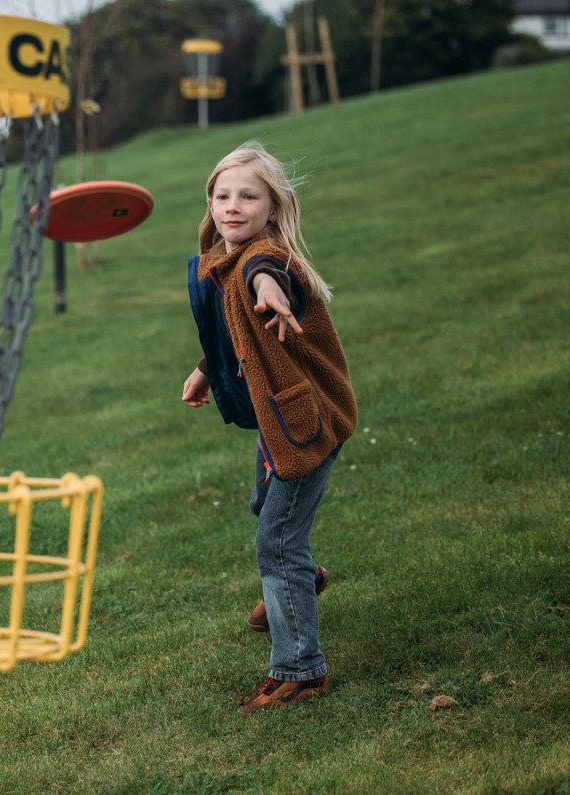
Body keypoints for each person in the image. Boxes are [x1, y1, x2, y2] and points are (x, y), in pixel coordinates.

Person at [181, 141, 357, 715]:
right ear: (210, 202)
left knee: (276, 542)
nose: (233, 205)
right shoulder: (221, 264)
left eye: (249, 196)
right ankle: (297, 580)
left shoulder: (267, 263)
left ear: (273, 209)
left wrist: (270, 291)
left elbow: (262, 280)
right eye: (222, 194)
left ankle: (300, 673)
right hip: (278, 424)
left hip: (307, 423)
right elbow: (233, 332)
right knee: (268, 510)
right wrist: (206, 370)